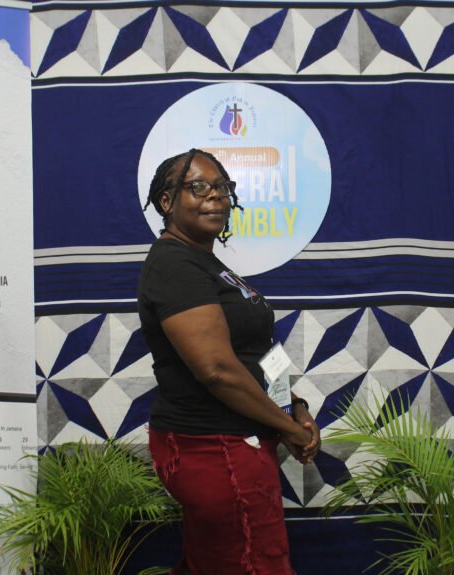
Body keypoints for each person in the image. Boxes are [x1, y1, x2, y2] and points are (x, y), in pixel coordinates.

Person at [137, 149, 319, 574]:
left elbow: (252, 353)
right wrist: (286, 426)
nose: (214, 197)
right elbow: (217, 370)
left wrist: (295, 405)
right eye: (198, 186)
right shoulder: (174, 265)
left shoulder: (207, 264)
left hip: (236, 443)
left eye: (222, 188)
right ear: (166, 202)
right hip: (213, 447)